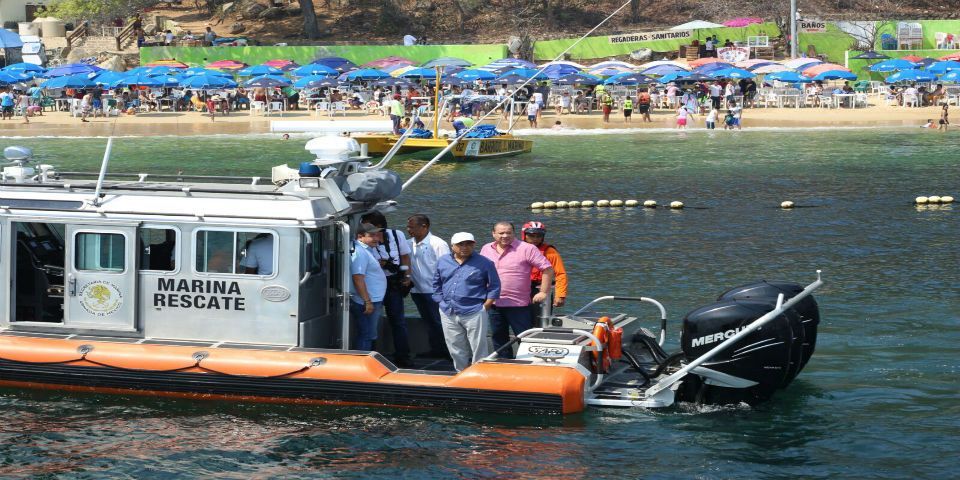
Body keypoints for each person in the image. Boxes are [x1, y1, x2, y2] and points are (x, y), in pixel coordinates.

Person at [480, 222, 553, 359]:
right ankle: (504, 362)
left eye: (509, 232)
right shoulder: (486, 249)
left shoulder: (527, 248)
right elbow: (481, 272)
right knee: (498, 336)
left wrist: (543, 291)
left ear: (514, 233)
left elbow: (547, 269)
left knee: (525, 337)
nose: (505, 236)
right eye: (501, 233)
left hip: (518, 304)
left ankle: (531, 363)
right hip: (494, 302)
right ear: (493, 234)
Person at [433, 232, 500, 371]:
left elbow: (494, 286)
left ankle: (479, 374)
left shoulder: (485, 263)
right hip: (448, 311)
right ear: (452, 246)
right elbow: (436, 282)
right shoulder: (442, 261)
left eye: (469, 243)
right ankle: (461, 373)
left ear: (474, 244)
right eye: (460, 244)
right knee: (454, 346)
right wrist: (440, 300)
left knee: (478, 347)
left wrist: (486, 305)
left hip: (474, 310)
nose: (465, 247)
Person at [361, 211, 413, 367]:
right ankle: (372, 357)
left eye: (367, 223)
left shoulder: (397, 235)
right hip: (373, 283)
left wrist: (407, 276)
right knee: (373, 321)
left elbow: (405, 256)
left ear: (379, 226)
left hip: (393, 283)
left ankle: (403, 356)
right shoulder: (365, 239)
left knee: (398, 320)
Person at [406, 214, 452, 359]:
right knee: (428, 322)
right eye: (408, 226)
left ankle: (450, 352)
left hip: (434, 291)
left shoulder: (438, 243)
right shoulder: (407, 244)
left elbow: (447, 268)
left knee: (440, 322)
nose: (409, 230)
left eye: (412, 227)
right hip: (416, 290)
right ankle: (436, 349)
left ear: (424, 226)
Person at [350, 223, 388, 351]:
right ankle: (362, 365)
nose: (377, 238)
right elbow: (357, 277)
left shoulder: (367, 249)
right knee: (366, 335)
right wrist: (367, 301)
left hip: (373, 299)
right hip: (366, 302)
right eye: (372, 235)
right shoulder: (360, 252)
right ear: (360, 237)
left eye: (377, 235)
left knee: (370, 334)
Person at [521, 222, 567, 320]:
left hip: (540, 290)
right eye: (531, 235)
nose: (535, 239)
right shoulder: (516, 249)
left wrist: (560, 295)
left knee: (540, 320)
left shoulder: (550, 252)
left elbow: (560, 274)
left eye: (539, 236)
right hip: (520, 290)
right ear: (524, 235)